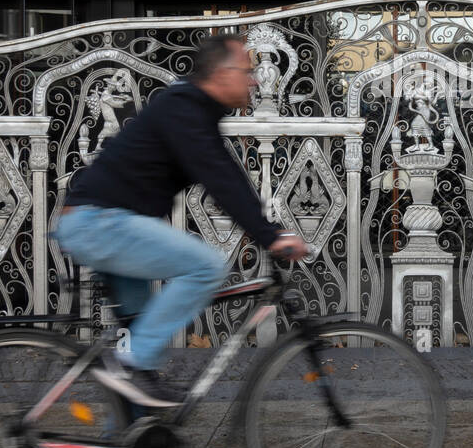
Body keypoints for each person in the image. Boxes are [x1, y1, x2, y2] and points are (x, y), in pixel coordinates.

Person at [56, 33, 309, 407]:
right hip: (101, 223)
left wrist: (266, 230)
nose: (255, 80)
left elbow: (225, 173)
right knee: (205, 266)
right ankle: (130, 368)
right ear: (221, 74)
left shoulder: (194, 111)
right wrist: (269, 236)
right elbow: (219, 179)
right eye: (247, 71)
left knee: (137, 342)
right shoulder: (184, 107)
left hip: (104, 223)